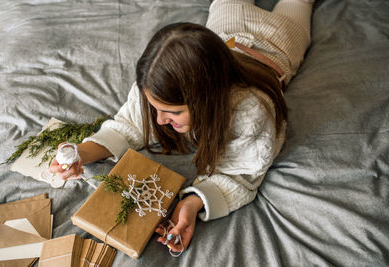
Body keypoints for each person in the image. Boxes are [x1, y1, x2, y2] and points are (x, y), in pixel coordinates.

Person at [49, 0, 314, 254]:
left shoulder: (251, 111)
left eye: (172, 112)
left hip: (277, 41)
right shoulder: (159, 76)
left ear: (207, 100)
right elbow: (129, 124)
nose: (160, 120)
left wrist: (192, 202)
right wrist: (81, 153)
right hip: (228, 23)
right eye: (155, 108)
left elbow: (240, 174)